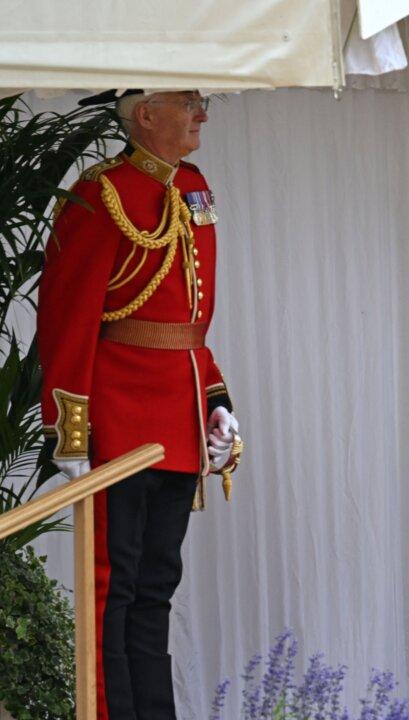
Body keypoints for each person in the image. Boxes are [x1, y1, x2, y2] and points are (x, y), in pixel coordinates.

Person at [39, 88, 241, 719]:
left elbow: (190, 321)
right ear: (145, 114)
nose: (203, 113)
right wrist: (71, 429)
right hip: (118, 422)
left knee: (157, 588)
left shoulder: (194, 187)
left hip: (179, 423)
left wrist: (215, 400)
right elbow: (68, 320)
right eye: (190, 102)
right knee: (113, 589)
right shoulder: (101, 193)